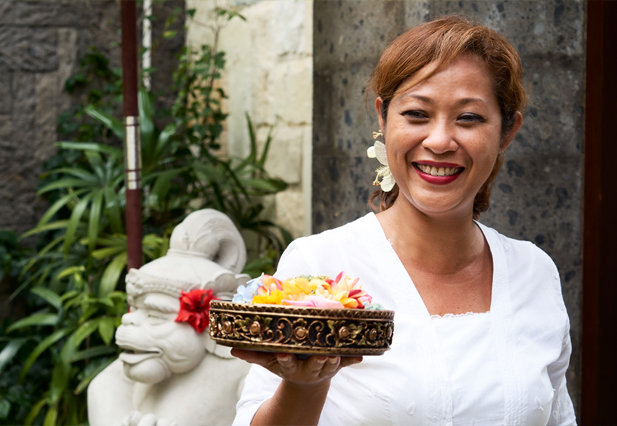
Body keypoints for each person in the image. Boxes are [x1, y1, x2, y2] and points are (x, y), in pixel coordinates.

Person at [231, 16, 576, 426]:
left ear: (507, 132)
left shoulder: (534, 272)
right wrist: (304, 385)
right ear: (383, 118)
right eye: (416, 113)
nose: (440, 141)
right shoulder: (318, 267)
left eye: (468, 118)